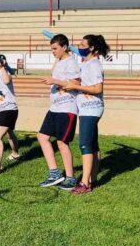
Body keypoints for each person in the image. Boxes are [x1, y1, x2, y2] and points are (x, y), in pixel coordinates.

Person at [59, 34, 109, 194]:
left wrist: (77, 88)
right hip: (87, 107)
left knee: (85, 144)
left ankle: (85, 183)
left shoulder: (94, 65)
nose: (79, 47)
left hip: (91, 108)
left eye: (82, 45)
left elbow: (98, 88)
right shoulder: (86, 63)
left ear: (92, 47)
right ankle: (93, 178)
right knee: (93, 145)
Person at [37, 34, 81, 188]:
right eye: (51, 49)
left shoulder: (72, 63)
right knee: (42, 137)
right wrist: (55, 65)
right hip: (55, 107)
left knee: (62, 142)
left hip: (67, 108)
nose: (53, 51)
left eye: (55, 49)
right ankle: (54, 173)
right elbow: (54, 73)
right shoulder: (60, 61)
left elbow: (74, 83)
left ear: (64, 47)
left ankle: (70, 177)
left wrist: (54, 81)